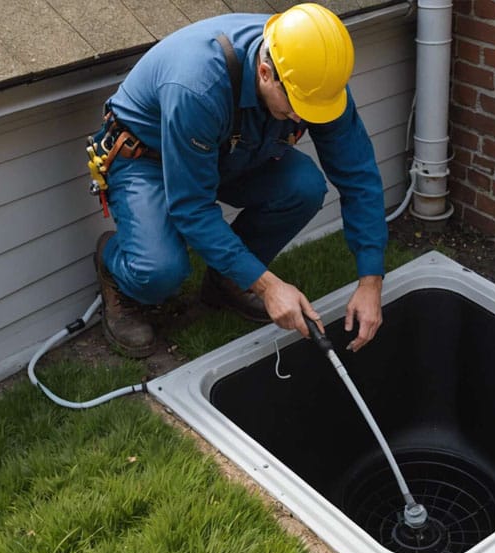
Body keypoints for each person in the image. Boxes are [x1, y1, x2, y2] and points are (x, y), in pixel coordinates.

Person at [89, 3, 387, 358]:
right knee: (161, 272)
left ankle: (227, 281)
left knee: (304, 186)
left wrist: (371, 279)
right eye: (296, 108)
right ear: (265, 72)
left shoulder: (314, 78)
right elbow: (193, 208)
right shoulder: (197, 85)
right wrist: (267, 286)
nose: (301, 117)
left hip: (229, 148)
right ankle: (116, 268)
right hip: (148, 157)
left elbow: (358, 172)